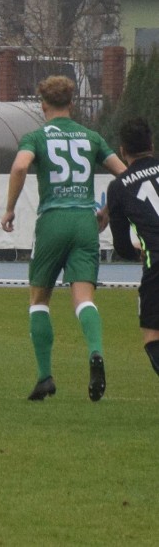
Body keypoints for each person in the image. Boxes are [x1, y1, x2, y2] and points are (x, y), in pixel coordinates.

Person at [0, 76, 126, 402]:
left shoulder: (36, 137)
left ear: (42, 105)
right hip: (85, 221)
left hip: (54, 220)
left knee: (39, 300)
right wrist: (108, 212)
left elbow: (18, 168)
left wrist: (10, 209)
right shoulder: (91, 136)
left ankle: (45, 377)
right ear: (72, 104)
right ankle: (95, 351)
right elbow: (126, 177)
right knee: (84, 298)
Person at [107, 117, 159, 380]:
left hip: (157, 263)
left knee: (152, 335)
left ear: (122, 151)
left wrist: (137, 252)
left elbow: (122, 246)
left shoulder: (119, 187)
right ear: (151, 144)